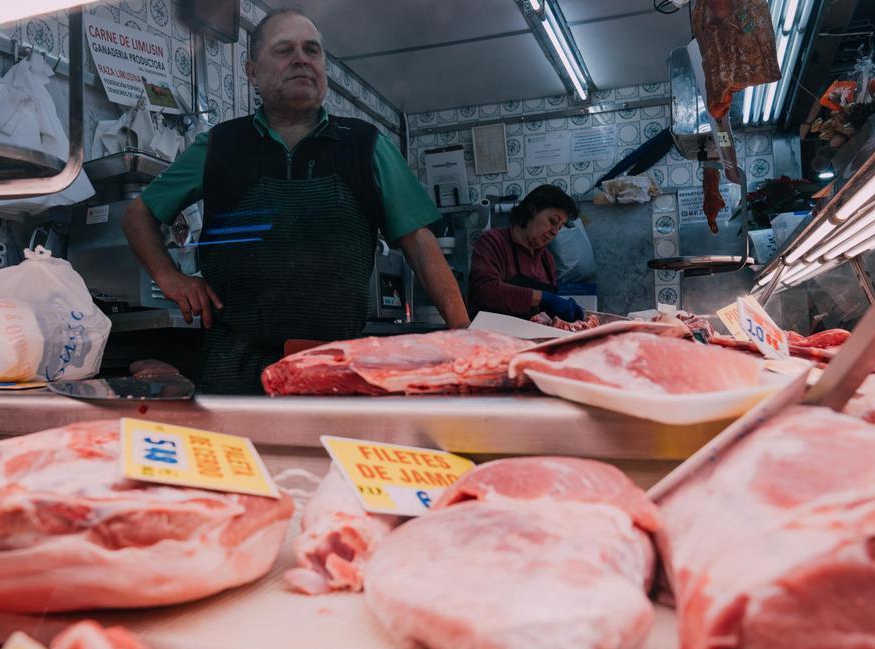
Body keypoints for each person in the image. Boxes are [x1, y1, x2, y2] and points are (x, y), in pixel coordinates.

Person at [122, 8, 468, 393]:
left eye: (312, 50)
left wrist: (465, 335)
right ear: (251, 72)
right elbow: (139, 214)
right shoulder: (218, 146)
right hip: (234, 373)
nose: (302, 59)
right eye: (284, 50)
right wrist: (169, 276)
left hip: (337, 371)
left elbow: (419, 243)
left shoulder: (367, 144)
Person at [468, 185, 586, 321]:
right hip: (491, 337)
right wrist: (543, 298)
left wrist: (561, 311)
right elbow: (484, 291)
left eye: (559, 227)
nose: (555, 232)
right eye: (553, 221)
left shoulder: (547, 260)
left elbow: (543, 312)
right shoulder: (493, 242)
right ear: (532, 210)